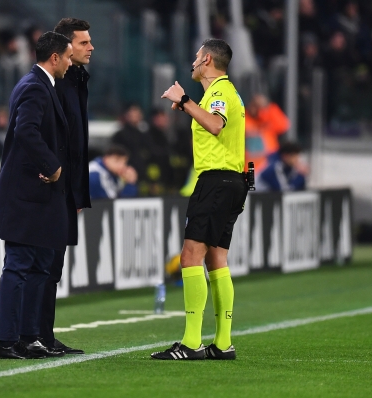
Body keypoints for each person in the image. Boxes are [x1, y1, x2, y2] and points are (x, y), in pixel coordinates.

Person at [152, 38, 247, 361]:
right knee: (216, 259)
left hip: (216, 182)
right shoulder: (222, 93)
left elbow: (216, 126)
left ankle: (191, 343)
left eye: (196, 57)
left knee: (191, 255)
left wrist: (185, 100)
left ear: (207, 59)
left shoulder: (219, 92)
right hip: (231, 181)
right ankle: (222, 344)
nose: (192, 62)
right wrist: (189, 105)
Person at [0, 31, 72, 360]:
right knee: (20, 265)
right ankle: (7, 341)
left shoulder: (36, 84)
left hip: (35, 196)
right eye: (67, 57)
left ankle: (27, 337)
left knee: (37, 264)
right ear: (54, 57)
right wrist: (51, 165)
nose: (69, 62)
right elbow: (26, 130)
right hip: (25, 195)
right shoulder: (35, 87)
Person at [34, 18, 93, 356]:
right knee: (45, 263)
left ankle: (45, 333)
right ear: (64, 49)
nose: (90, 48)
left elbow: (75, 143)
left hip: (67, 190)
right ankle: (37, 334)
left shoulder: (76, 81)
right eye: (83, 43)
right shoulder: (53, 83)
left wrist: (77, 192)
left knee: (53, 266)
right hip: (52, 188)